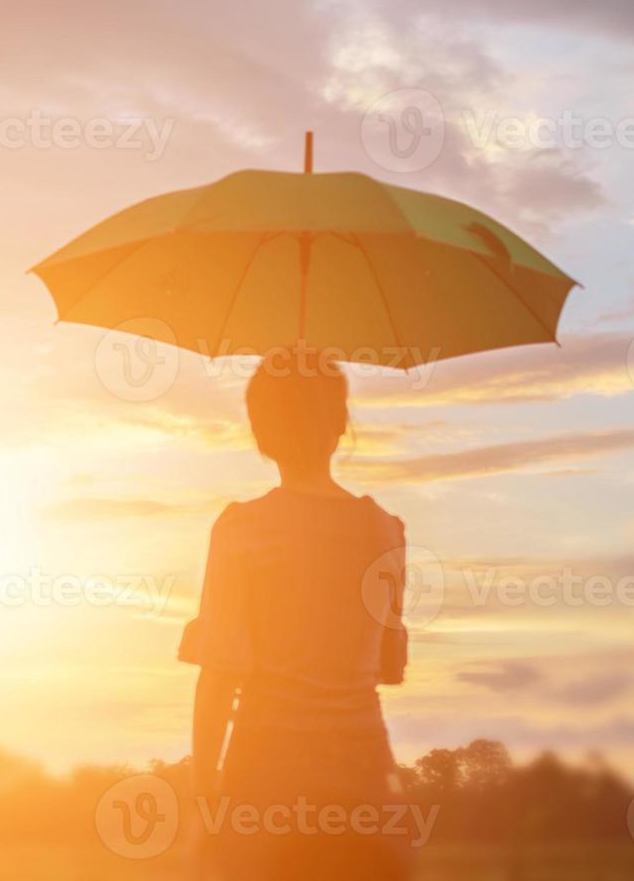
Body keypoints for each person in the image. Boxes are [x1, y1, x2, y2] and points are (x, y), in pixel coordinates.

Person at [184, 351, 413, 880]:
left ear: (260, 433)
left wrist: (204, 804)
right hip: (368, 792)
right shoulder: (387, 531)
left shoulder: (241, 529)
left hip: (264, 793)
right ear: (340, 424)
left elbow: (219, 677)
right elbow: (388, 669)